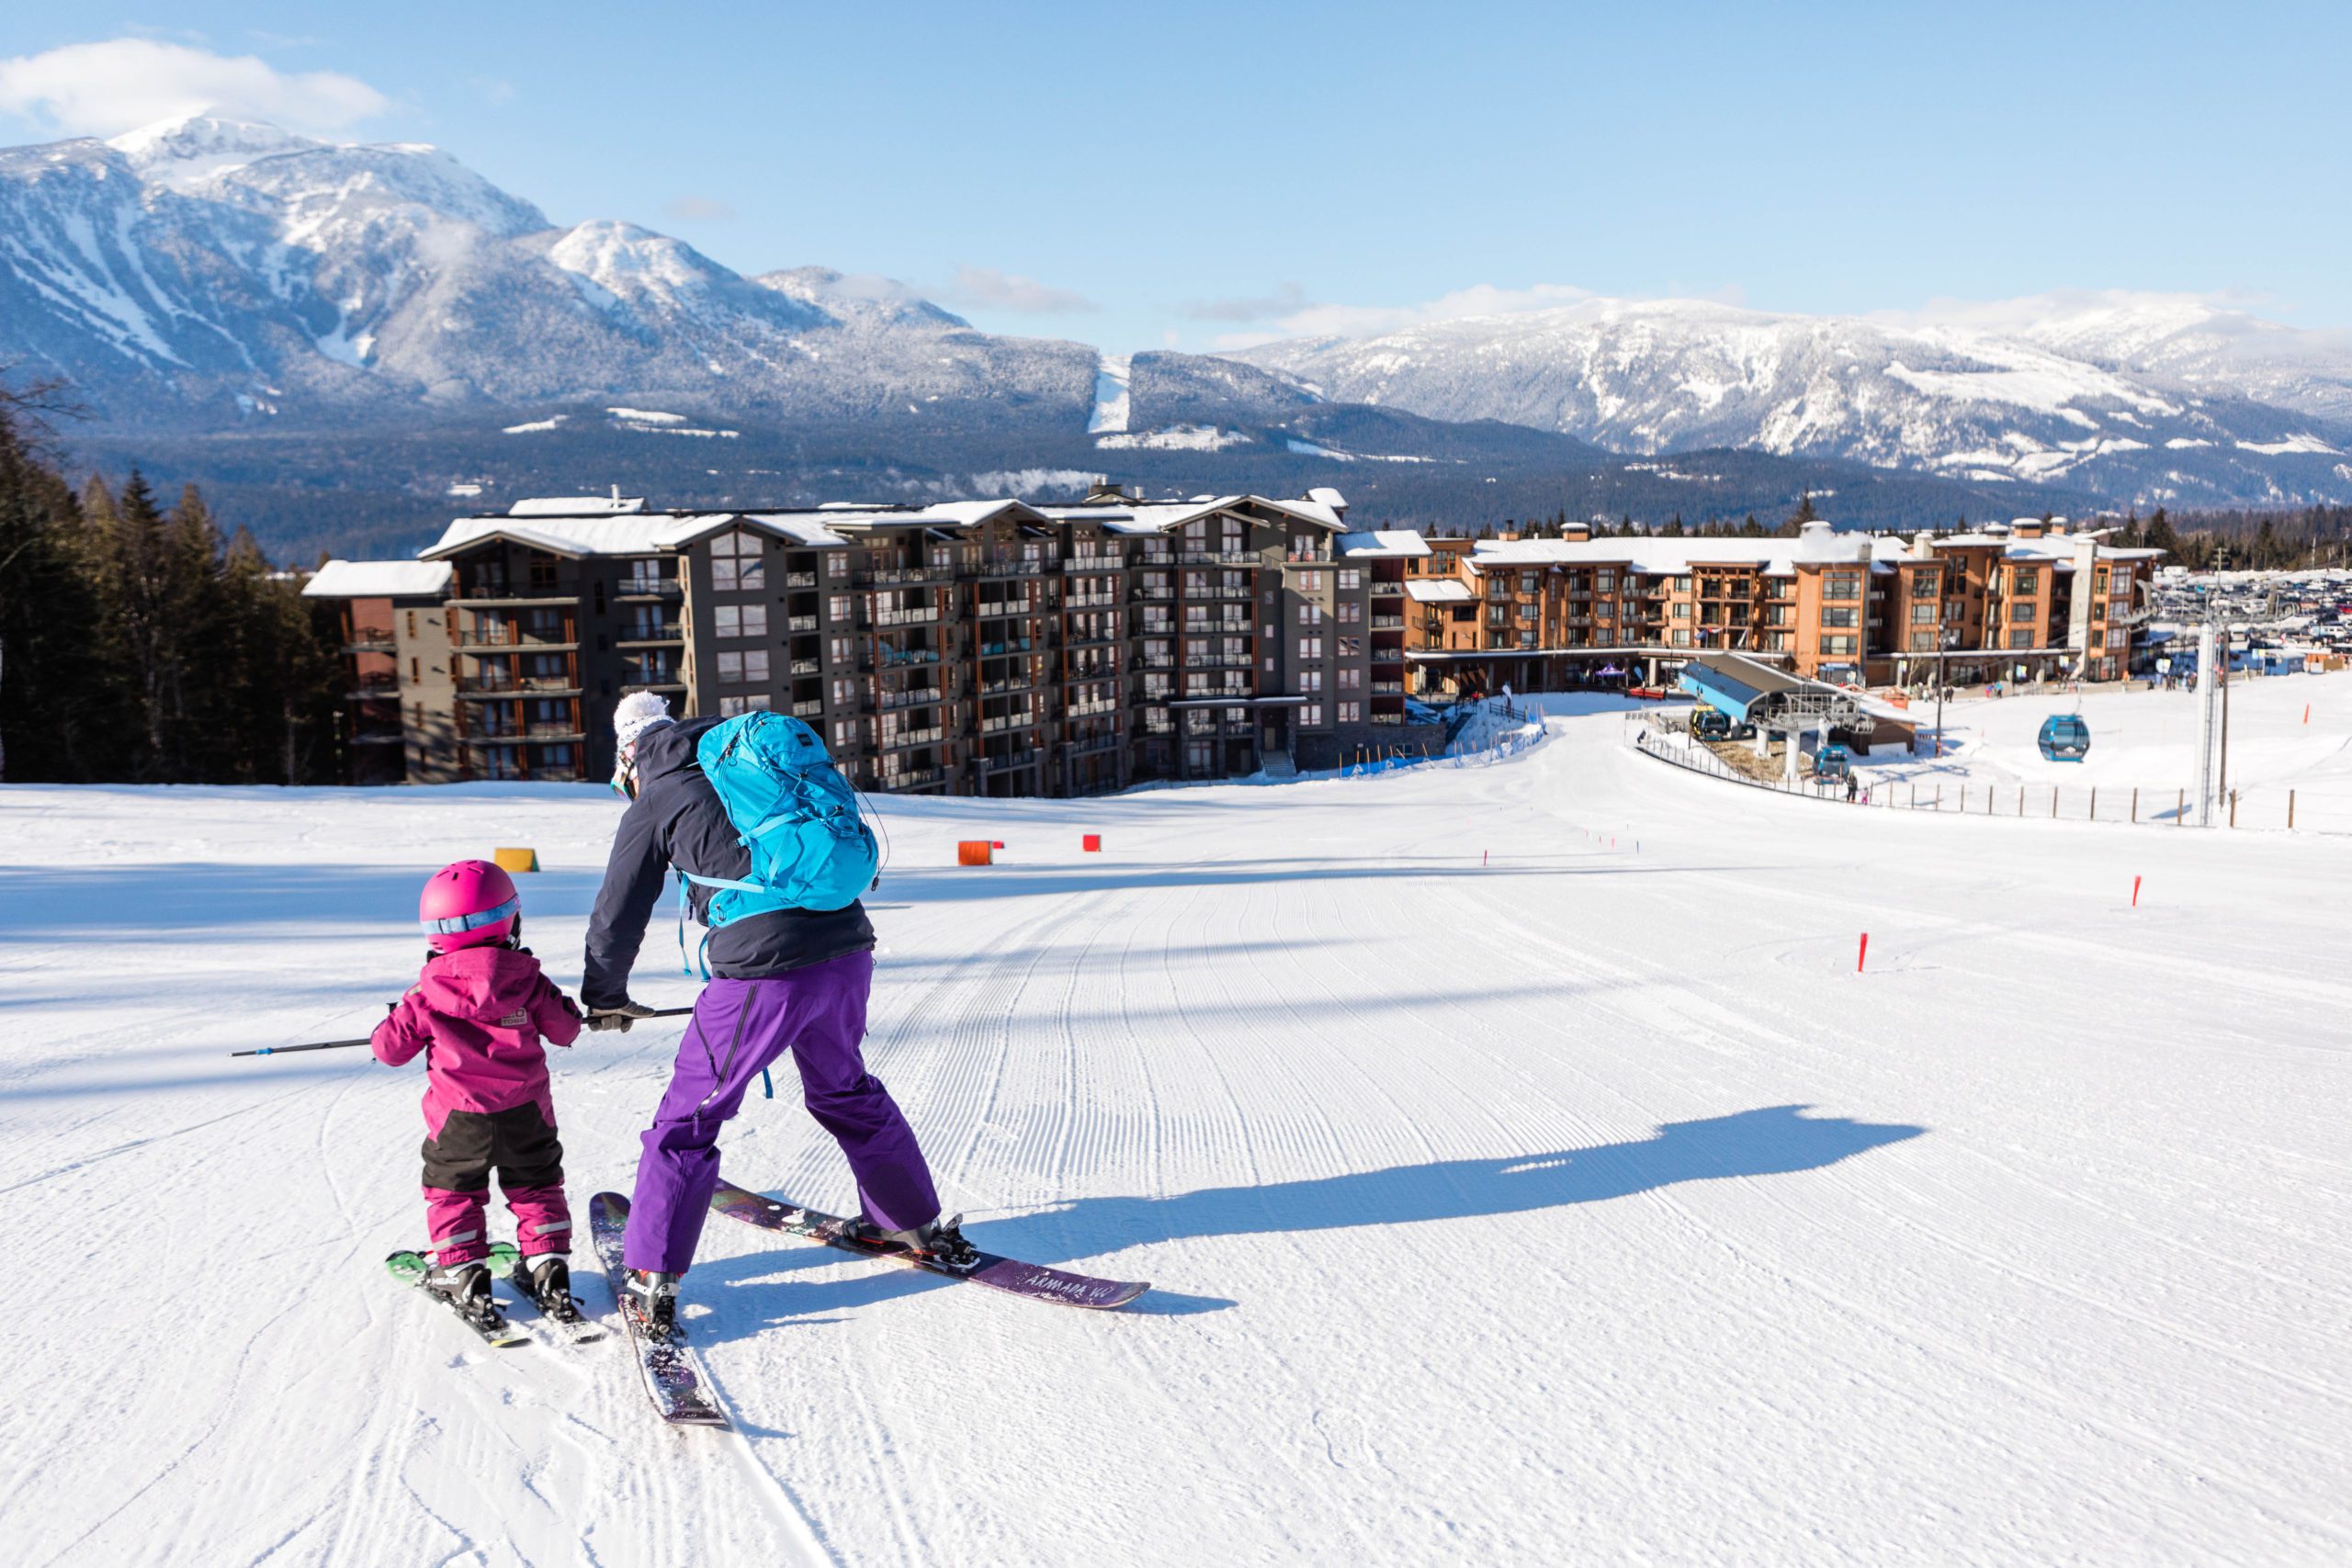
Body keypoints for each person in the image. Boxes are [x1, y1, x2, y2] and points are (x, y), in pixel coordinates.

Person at [581, 691, 966, 1337]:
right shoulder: (744, 756)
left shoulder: (657, 791)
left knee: (688, 1118)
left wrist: (605, 994)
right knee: (845, 1087)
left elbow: (619, 911)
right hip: (846, 950)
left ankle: (653, 1277)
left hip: (764, 971)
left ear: (628, 752)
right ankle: (911, 1220)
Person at [373, 860, 585, 1328]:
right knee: (536, 1187)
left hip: (458, 1122)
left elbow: (389, 1050)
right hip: (527, 1114)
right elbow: (566, 1030)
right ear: (509, 918)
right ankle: (549, 1267)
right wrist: (563, 1008)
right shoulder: (529, 981)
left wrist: (395, 1020)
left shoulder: (424, 995)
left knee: (455, 1193)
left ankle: (465, 1274)